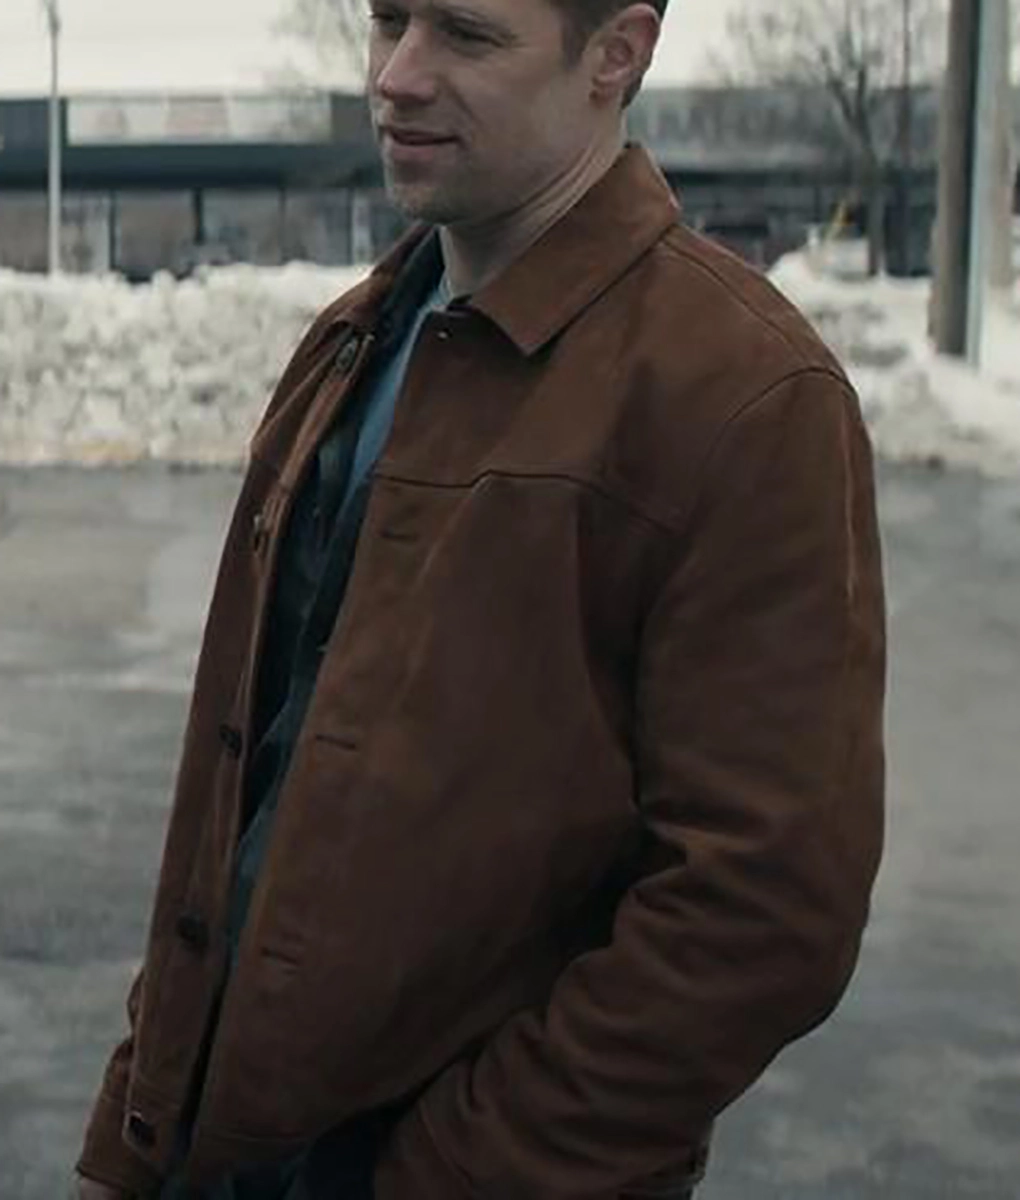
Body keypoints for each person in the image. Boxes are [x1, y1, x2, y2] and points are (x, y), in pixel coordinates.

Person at [74, 0, 886, 1196]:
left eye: (465, 33)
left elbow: (763, 914)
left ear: (616, 53)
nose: (396, 75)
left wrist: (444, 1171)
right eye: (388, 19)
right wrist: (131, 1132)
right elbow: (243, 789)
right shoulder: (357, 340)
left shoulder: (745, 395)